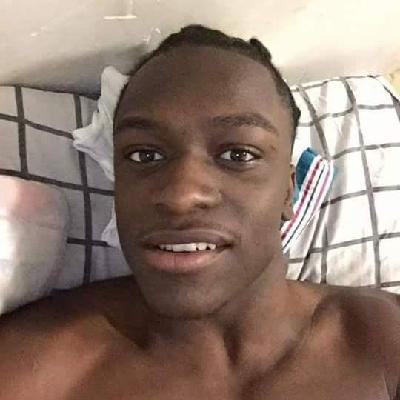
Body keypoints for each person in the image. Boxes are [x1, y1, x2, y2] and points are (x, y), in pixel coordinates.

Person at [0, 24, 399, 400]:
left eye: (238, 154)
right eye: (144, 155)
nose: (181, 195)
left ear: (289, 192)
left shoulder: (384, 345)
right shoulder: (34, 366)